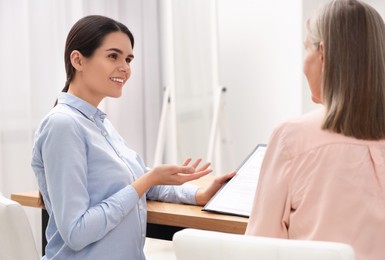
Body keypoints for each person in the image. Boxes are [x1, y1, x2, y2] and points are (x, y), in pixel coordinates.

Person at [31, 15, 235, 260]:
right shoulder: (63, 125)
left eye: (128, 59)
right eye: (113, 56)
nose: (125, 68)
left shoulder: (97, 124)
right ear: (78, 60)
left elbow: (133, 182)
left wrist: (196, 195)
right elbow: (77, 232)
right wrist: (146, 180)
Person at [245, 0, 385, 259]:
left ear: (323, 54)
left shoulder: (291, 139)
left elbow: (258, 249)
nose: (303, 65)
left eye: (306, 50)